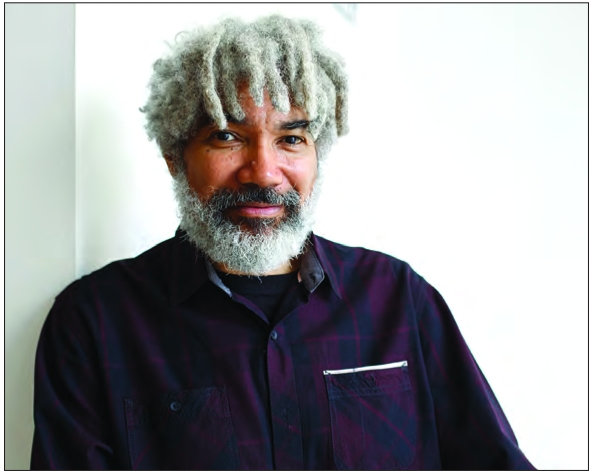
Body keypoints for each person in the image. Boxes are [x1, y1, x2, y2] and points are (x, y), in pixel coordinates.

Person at [31, 15, 535, 470]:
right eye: (227, 137)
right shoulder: (94, 324)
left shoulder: (399, 299)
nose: (264, 172)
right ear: (174, 156)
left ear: (318, 154)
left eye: (291, 139)